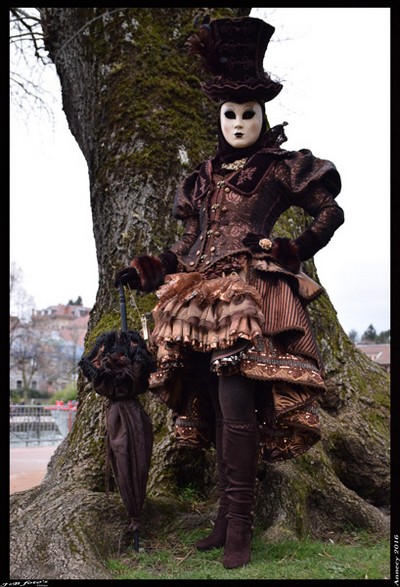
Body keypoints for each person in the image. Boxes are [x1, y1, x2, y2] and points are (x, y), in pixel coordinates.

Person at [114, 15, 344, 569]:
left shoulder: (280, 167)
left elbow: (330, 211)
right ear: (218, 118)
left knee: (238, 403)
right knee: (212, 407)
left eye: (248, 114)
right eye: (230, 114)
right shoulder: (203, 177)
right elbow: (188, 244)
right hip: (195, 301)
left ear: (262, 116)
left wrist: (292, 249)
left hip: (248, 296)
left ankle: (240, 524)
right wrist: (148, 270)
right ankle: (222, 518)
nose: (239, 122)